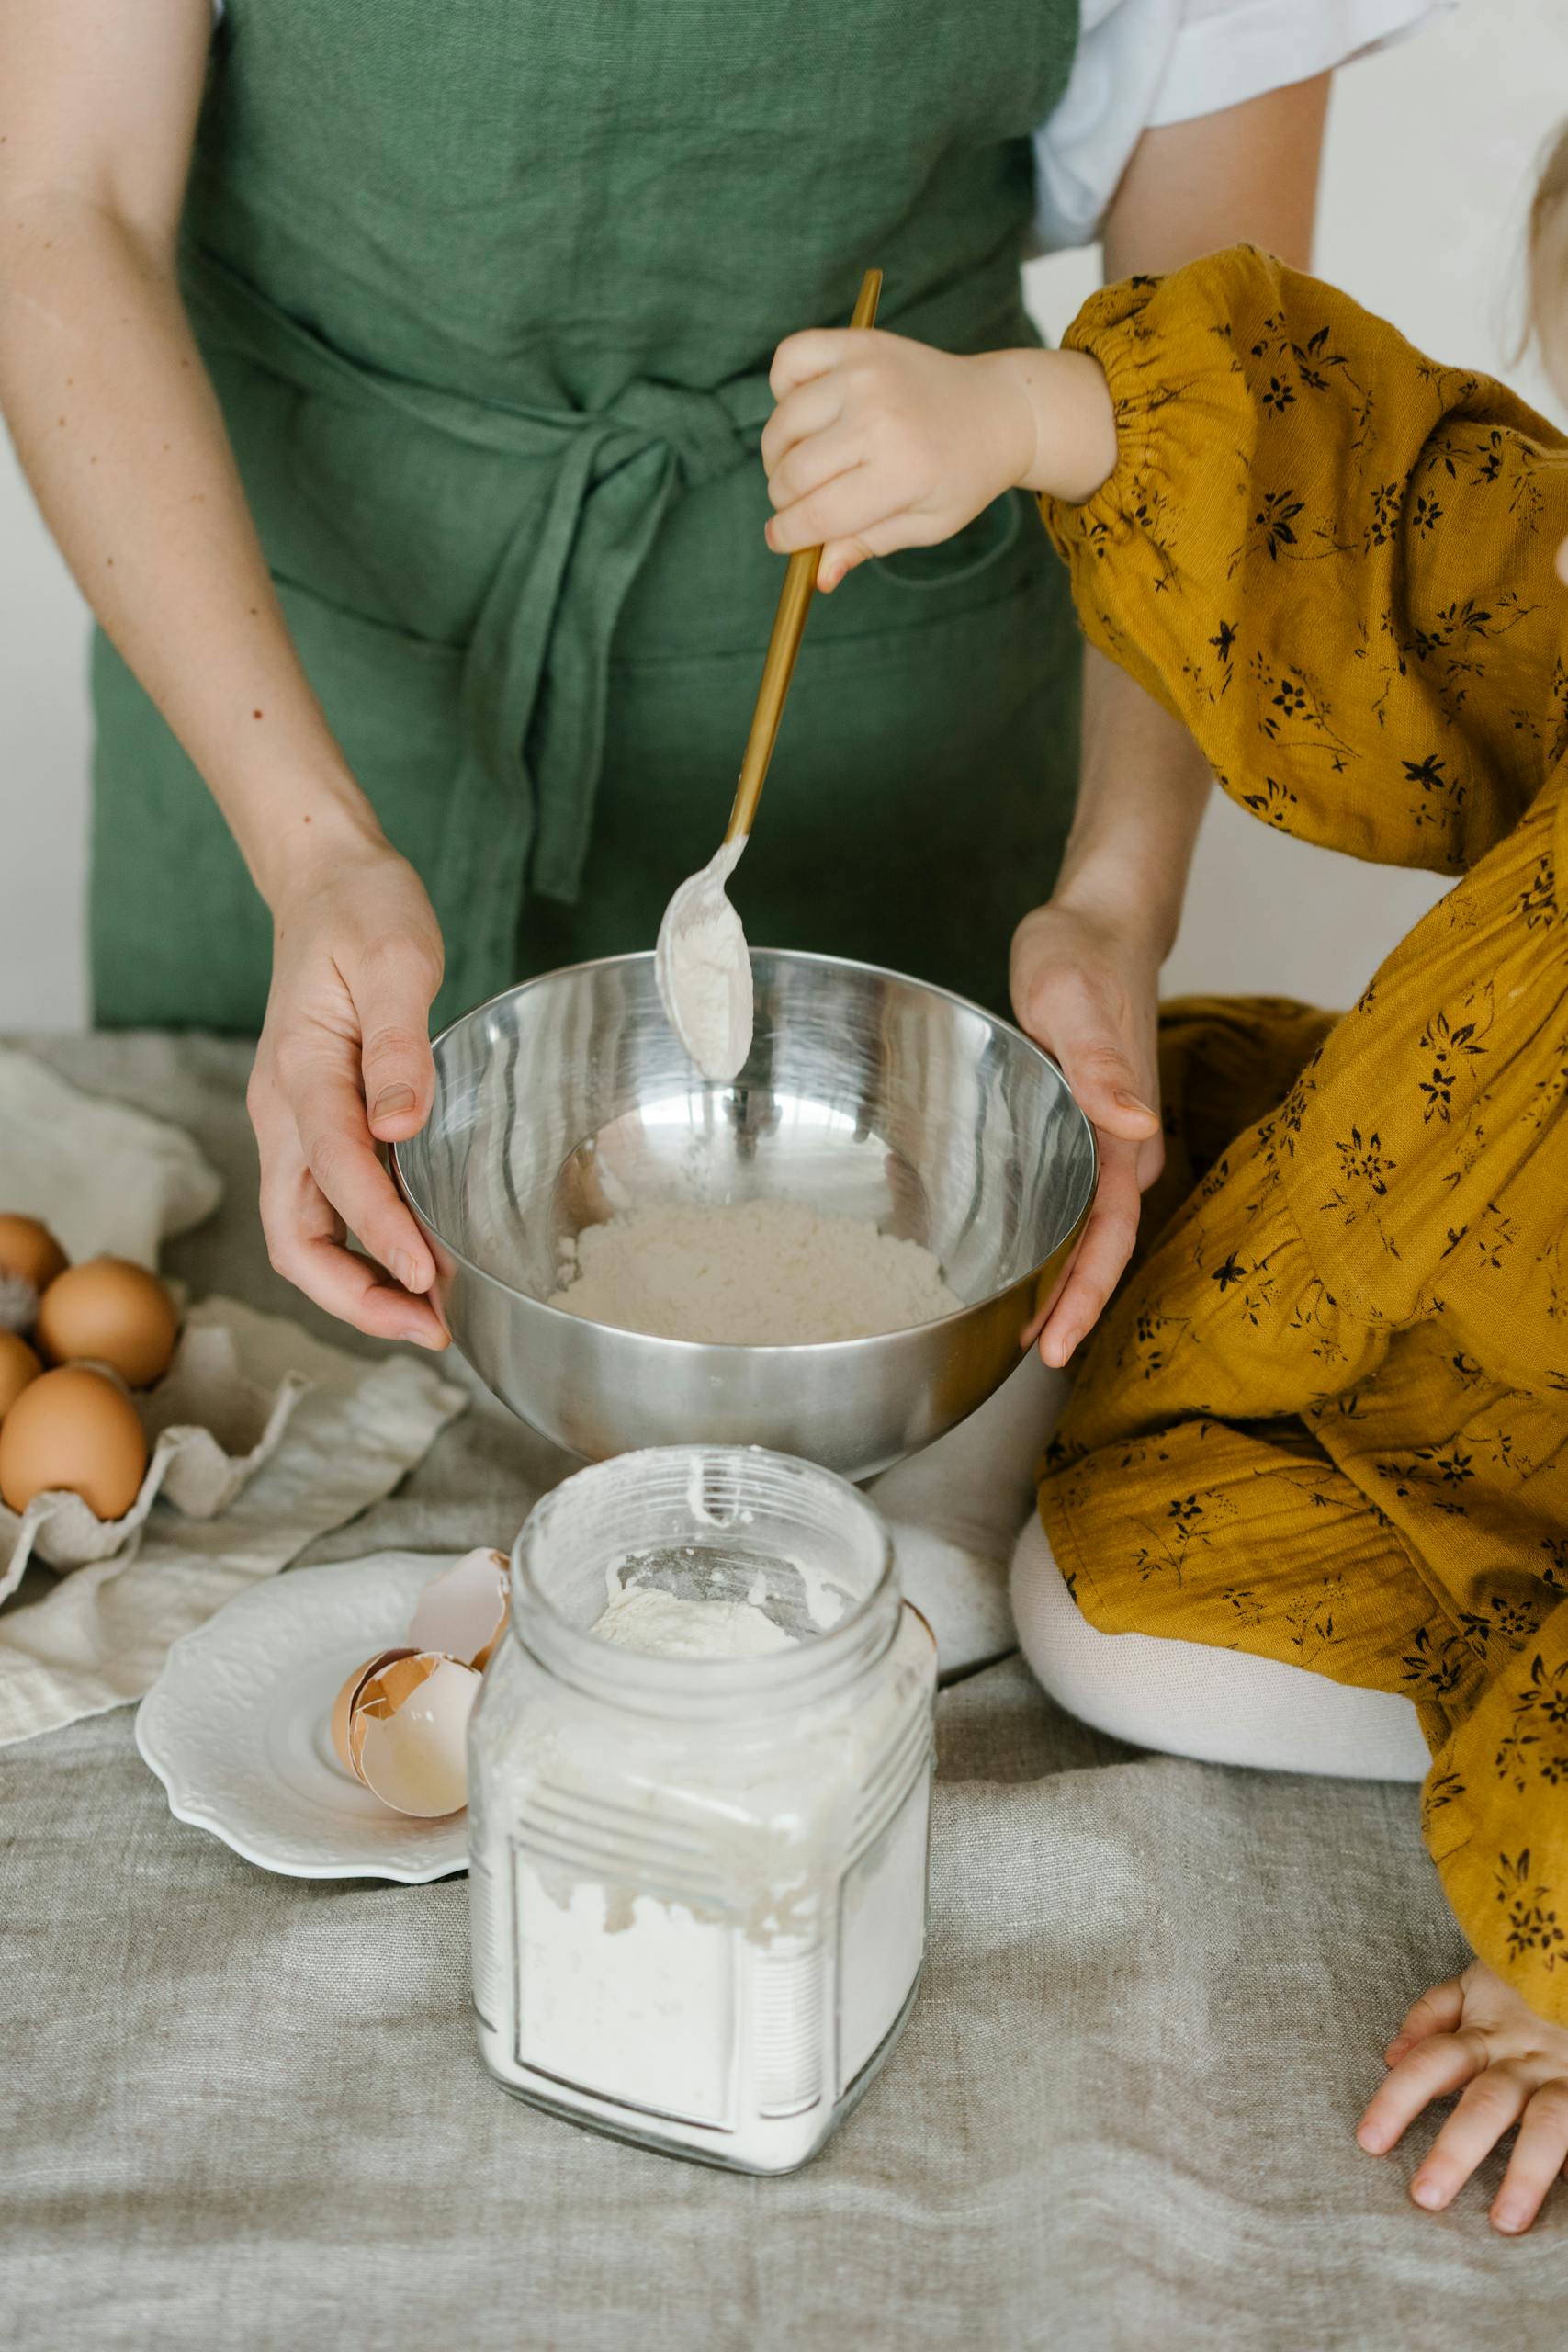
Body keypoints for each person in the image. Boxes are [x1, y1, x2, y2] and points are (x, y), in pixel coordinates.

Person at [0, 2, 1433, 1351]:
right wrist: (311, 851)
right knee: (245, 1315)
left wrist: (1121, 896)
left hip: (884, 705)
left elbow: (1220, 379)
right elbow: (63, 206)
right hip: (300, 665)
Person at [758, 138, 1568, 2231]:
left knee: (1107, 1626)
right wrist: (1031, 415)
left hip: (1528, 1476)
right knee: (1135, 1129)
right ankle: (969, 1458)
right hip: (1396, 1232)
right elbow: (1397, 516)